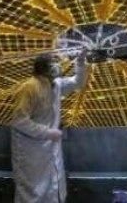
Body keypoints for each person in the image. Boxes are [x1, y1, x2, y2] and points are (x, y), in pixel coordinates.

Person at [11, 49, 90, 203]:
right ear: (45, 67)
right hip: (31, 150)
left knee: (53, 188)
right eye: (54, 62)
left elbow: (78, 82)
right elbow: (19, 121)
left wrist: (80, 62)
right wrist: (48, 133)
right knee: (32, 192)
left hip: (50, 147)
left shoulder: (56, 85)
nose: (58, 66)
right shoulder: (29, 88)